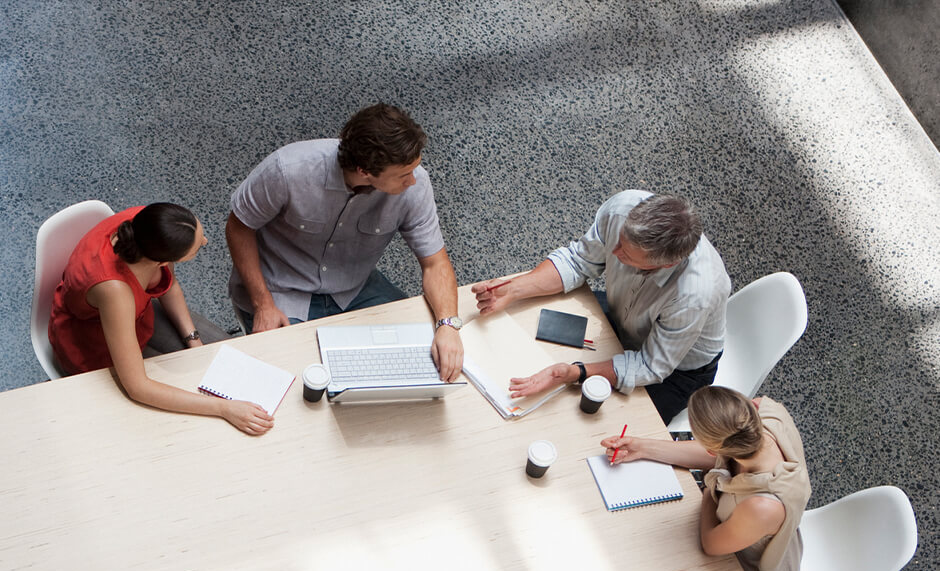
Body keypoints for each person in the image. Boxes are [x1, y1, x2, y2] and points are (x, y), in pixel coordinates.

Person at [226, 102, 463, 382]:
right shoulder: (287, 170)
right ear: (364, 171)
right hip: (282, 289)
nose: (412, 181)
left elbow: (435, 263)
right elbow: (239, 227)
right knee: (290, 378)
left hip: (354, 288)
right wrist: (263, 304)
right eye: (403, 175)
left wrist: (448, 325)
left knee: (423, 348)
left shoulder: (416, 184)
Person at [472, 190, 731, 423]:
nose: (614, 252)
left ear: (666, 264)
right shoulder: (622, 209)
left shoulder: (695, 295)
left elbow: (651, 365)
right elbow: (578, 261)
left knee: (592, 425)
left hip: (674, 370)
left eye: (626, 255)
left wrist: (577, 372)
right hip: (624, 316)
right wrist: (514, 289)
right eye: (619, 241)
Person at [48, 203, 274, 436]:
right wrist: (224, 408)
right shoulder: (115, 290)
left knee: (213, 355)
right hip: (93, 342)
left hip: (136, 313)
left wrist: (194, 341)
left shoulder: (151, 225)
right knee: (174, 421)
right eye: (197, 248)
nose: (205, 241)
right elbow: (138, 387)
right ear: (162, 261)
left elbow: (169, 285)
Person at [601, 386, 811, 571]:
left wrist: (710, 487)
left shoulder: (761, 506)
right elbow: (724, 454)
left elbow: (711, 543)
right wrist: (641, 448)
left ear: (712, 449)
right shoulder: (760, 412)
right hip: (746, 529)